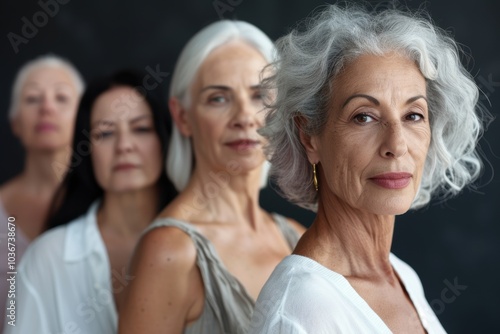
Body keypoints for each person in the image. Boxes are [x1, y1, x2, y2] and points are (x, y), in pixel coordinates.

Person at [249, 4, 490, 334]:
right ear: (310, 137)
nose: (397, 144)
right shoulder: (301, 307)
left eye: (413, 115)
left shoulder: (402, 275)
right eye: (364, 116)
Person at [118, 20, 306, 334]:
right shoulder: (169, 252)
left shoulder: (298, 239)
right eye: (218, 98)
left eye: (259, 96)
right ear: (182, 116)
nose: (244, 117)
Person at [4, 70, 177, 334]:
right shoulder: (46, 258)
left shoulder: (201, 244)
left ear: (165, 138)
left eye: (141, 128)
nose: (124, 145)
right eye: (105, 134)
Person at [0, 54, 84, 330]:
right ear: (15, 122)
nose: (46, 107)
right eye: (33, 99)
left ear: (83, 117)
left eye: (61, 98)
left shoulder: (104, 208)